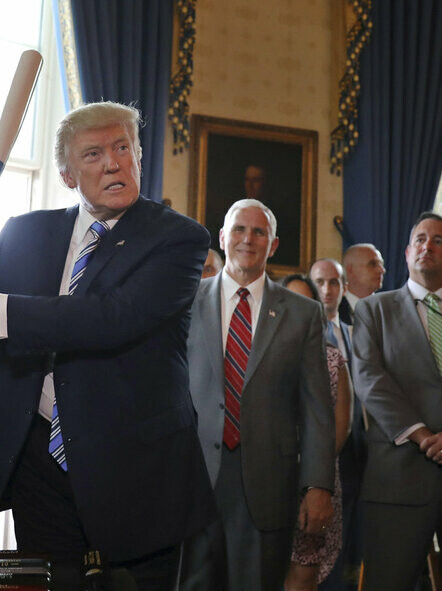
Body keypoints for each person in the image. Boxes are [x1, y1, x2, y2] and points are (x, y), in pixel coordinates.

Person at [0, 101, 216, 589]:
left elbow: (110, 318)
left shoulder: (178, 239)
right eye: (93, 154)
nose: (113, 163)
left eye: (123, 148)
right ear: (68, 176)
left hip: (137, 469)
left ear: (139, 157)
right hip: (39, 465)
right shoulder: (25, 232)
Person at [179, 199, 335, 590]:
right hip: (193, 479)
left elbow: (317, 410)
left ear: (274, 244)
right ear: (222, 237)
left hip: (267, 487)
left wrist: (318, 485)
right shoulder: (185, 302)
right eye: (239, 229)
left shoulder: (303, 314)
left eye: (259, 232)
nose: (248, 239)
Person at [351, 212, 442, 591]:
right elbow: (370, 380)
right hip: (397, 477)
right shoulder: (373, 309)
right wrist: (424, 437)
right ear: (407, 253)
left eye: (439, 241)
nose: (428, 247)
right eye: (420, 240)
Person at [281, 273, 351, 591]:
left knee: (304, 572)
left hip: (316, 482)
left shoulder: (333, 359)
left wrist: (309, 473)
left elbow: (340, 428)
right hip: (266, 480)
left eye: (305, 302)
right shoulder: (254, 352)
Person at [308, 258, 365, 591]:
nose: (327, 290)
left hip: (354, 451)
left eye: (334, 282)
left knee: (348, 534)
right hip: (310, 452)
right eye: (319, 282)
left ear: (345, 288)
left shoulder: (357, 334)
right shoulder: (298, 333)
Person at [340, 243, 385, 325]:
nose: (381, 270)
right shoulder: (332, 310)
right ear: (350, 270)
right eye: (372, 264)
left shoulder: (389, 308)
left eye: (381, 264)